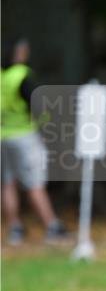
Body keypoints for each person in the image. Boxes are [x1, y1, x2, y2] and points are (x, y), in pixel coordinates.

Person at [1, 37, 68, 246]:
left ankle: (15, 228)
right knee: (35, 182)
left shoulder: (2, 76)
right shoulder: (21, 75)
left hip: (3, 136)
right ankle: (52, 226)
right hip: (24, 136)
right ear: (17, 53)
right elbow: (38, 104)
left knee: (7, 183)